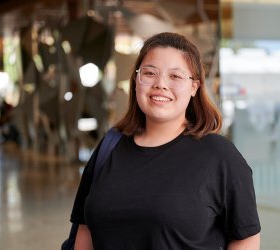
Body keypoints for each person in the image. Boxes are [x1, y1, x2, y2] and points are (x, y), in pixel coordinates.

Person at [70, 32, 261, 249]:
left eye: (176, 76)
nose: (160, 84)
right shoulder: (109, 147)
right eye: (150, 73)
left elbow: (245, 236)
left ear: (194, 87)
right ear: (136, 81)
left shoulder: (219, 156)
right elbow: (85, 228)